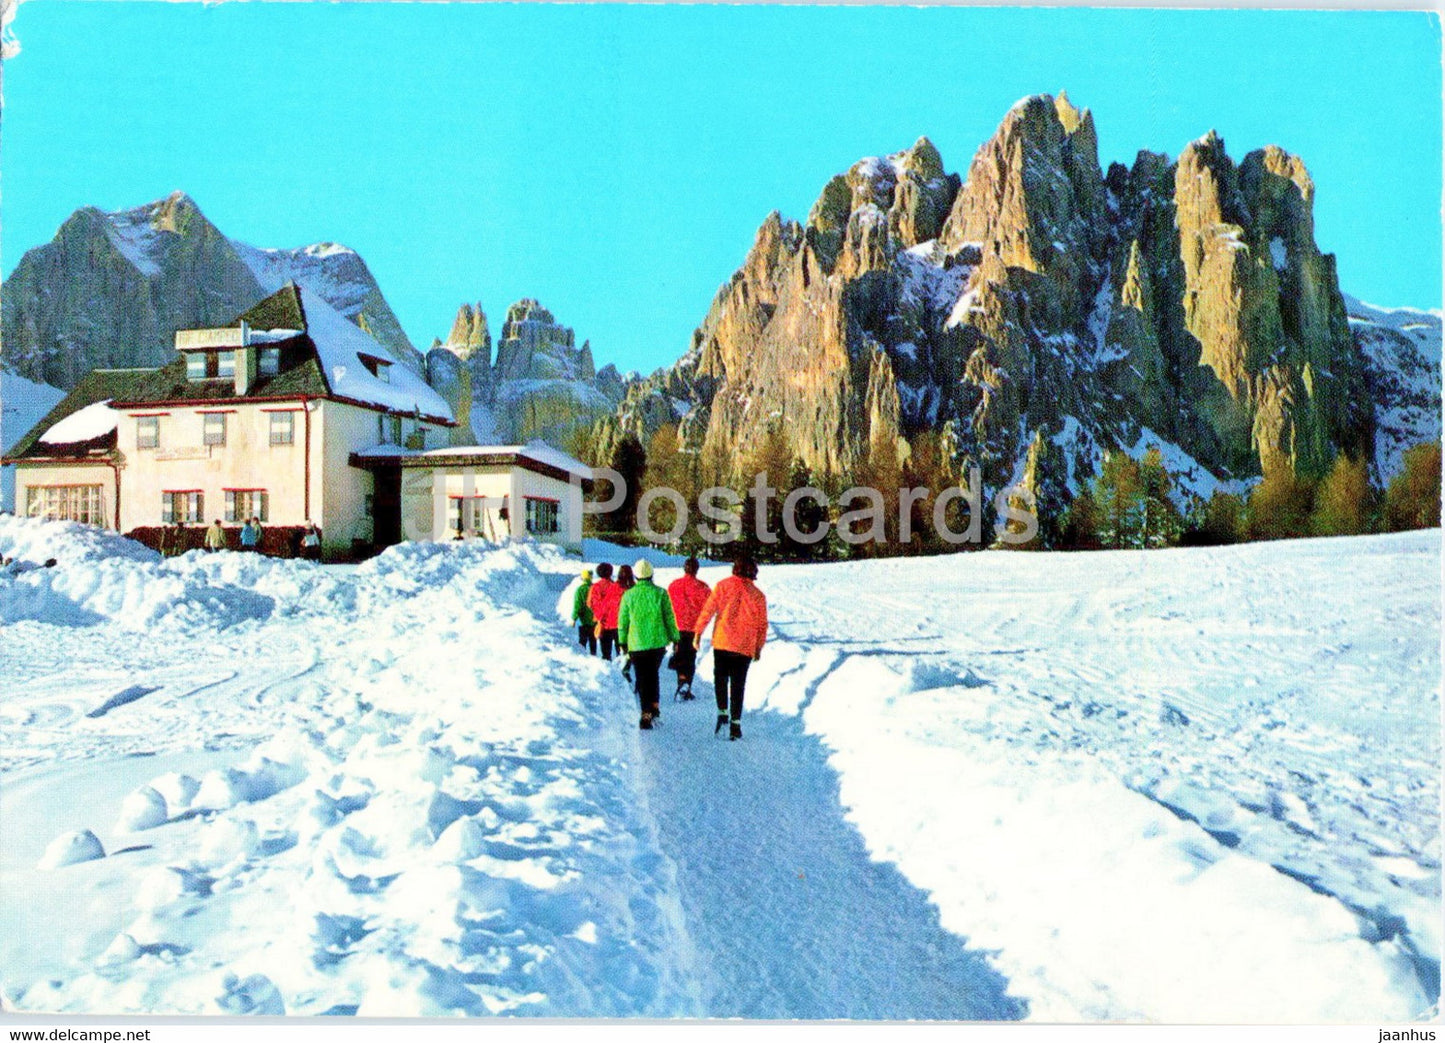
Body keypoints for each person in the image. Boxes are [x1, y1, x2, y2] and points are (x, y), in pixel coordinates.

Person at [693, 555, 769, 741]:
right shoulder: (758, 596)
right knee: (738, 684)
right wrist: (758, 647)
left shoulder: (722, 586)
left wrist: (697, 633)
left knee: (720, 678)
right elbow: (762, 625)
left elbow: (708, 611)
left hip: (722, 641)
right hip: (744, 646)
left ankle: (722, 713)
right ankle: (736, 724)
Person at [617, 559, 680, 730]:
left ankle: (645, 714)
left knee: (642, 678)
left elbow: (622, 622)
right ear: (651, 574)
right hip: (657, 644)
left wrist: (622, 641)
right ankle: (655, 707)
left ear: (636, 576)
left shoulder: (628, 595)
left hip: (636, 644)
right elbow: (669, 618)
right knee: (653, 675)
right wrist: (675, 638)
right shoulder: (661, 593)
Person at [667, 557, 711, 700]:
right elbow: (708, 609)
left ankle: (681, 680)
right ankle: (686, 686)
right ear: (697, 570)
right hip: (694, 628)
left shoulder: (674, 585)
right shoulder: (704, 588)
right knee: (690, 657)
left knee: (680, 655)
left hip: (677, 626)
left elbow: (667, 606)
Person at [587, 563, 623, 661]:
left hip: (603, 622)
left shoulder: (595, 587)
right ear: (611, 573)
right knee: (620, 650)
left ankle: (608, 671)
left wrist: (598, 614)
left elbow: (590, 603)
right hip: (617, 622)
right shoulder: (617, 586)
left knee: (606, 653)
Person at [615, 564, 637, 685]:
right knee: (630, 647)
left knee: (618, 647)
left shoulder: (615, 587)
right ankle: (627, 665)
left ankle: (619, 668)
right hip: (631, 622)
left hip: (615, 622)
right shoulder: (633, 588)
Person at [572, 568, 597, 655]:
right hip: (594, 621)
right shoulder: (595, 588)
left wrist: (574, 618)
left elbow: (577, 606)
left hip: (583, 621)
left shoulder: (580, 590)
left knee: (582, 642)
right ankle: (594, 657)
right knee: (593, 641)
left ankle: (582, 658)